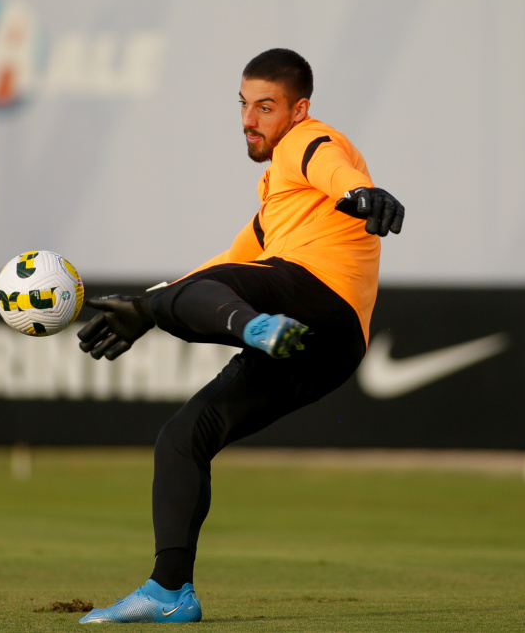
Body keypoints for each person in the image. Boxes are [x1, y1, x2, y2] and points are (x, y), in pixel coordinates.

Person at [75, 48, 404, 624]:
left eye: (266, 107)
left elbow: (332, 167)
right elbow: (226, 265)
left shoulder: (307, 141)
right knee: (182, 437)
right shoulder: (275, 201)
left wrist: (360, 193)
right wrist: (147, 301)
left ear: (298, 109)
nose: (250, 120)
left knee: (199, 296)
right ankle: (169, 590)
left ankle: (254, 329)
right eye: (244, 105)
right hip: (329, 349)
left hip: (316, 299)